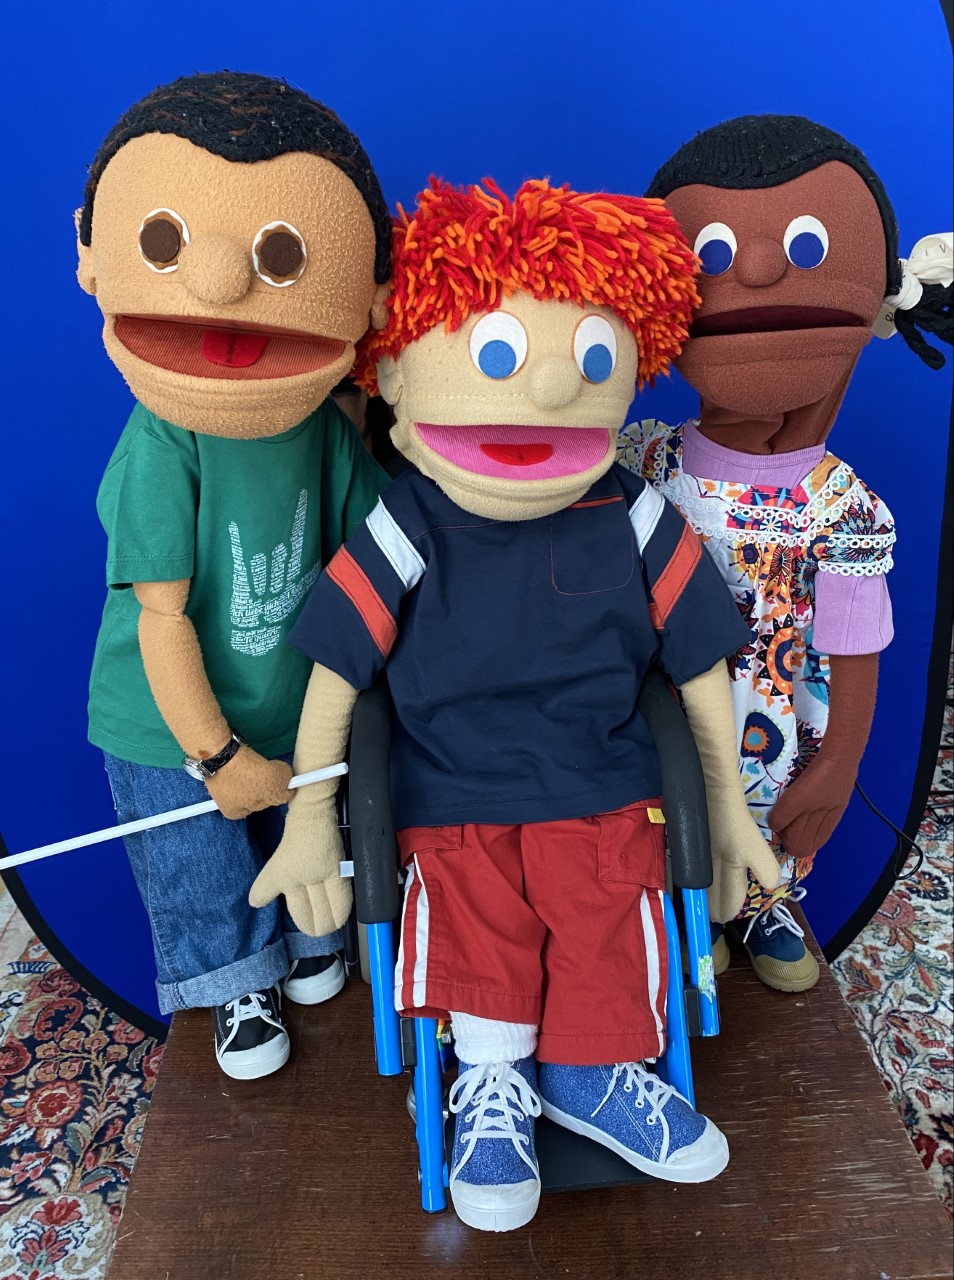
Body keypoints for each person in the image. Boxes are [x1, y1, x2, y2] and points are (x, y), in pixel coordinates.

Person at [249, 178, 781, 1231]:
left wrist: (728, 811)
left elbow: (702, 660)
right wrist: (313, 816)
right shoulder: (409, 521)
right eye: (497, 355)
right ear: (398, 368)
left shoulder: (627, 509)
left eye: (585, 358)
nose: (543, 390)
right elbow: (338, 667)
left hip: (605, 781)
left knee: (605, 895)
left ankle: (590, 1070)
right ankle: (491, 1083)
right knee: (474, 902)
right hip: (448, 792)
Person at [78, 71, 391, 1078]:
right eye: (170, 244)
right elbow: (162, 620)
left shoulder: (318, 429)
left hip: (293, 701)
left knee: (323, 826)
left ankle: (308, 937)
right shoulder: (159, 443)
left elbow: (370, 551)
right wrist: (217, 760)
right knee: (196, 867)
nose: (216, 285)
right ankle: (231, 986)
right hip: (169, 720)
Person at [619, 115, 952, 991]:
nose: (759, 269)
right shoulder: (645, 460)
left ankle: (763, 901)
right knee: (659, 803)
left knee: (772, 810)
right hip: (652, 703)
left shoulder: (845, 508)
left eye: (802, 245)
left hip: (778, 721)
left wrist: (841, 761)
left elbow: (855, 644)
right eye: (719, 253)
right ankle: (678, 906)